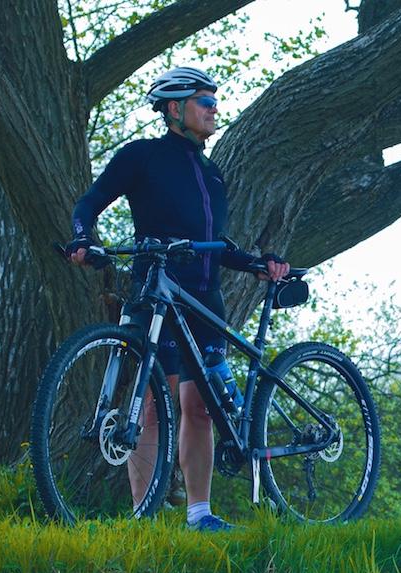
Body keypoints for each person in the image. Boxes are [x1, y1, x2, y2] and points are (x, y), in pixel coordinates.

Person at [66, 66, 289, 531]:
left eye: (214, 101)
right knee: (151, 405)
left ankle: (199, 513)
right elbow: (89, 202)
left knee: (199, 407)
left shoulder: (213, 174)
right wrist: (83, 239)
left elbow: (218, 242)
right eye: (204, 102)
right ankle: (142, 515)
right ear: (175, 108)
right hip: (155, 292)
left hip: (205, 299)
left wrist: (257, 262)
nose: (214, 109)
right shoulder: (141, 157)